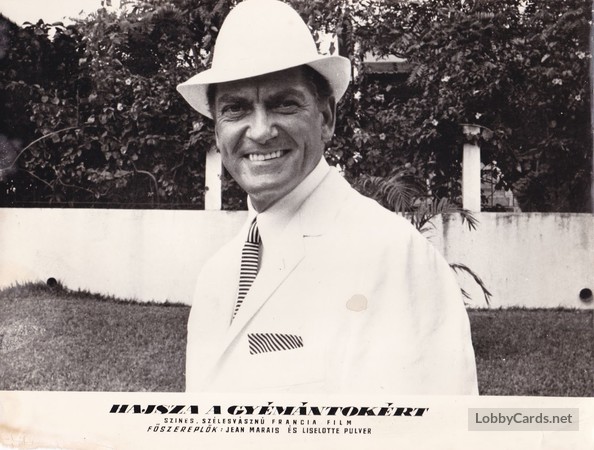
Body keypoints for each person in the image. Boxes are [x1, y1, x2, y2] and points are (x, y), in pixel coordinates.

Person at [177, 0, 478, 394]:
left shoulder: (393, 255)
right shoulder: (217, 275)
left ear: (326, 118)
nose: (261, 131)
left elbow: (438, 423)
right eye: (236, 109)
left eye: (284, 104)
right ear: (218, 131)